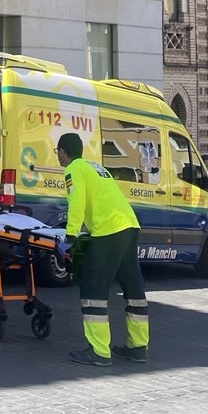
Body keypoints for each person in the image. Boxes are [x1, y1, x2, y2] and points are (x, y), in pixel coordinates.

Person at [56, 132, 148, 368]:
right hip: (130, 225)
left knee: (93, 286)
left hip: (109, 231)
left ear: (63, 152)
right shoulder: (95, 167)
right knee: (133, 287)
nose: (57, 156)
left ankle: (99, 351)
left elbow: (76, 201)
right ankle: (138, 347)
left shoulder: (73, 169)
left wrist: (70, 234)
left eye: (58, 152)